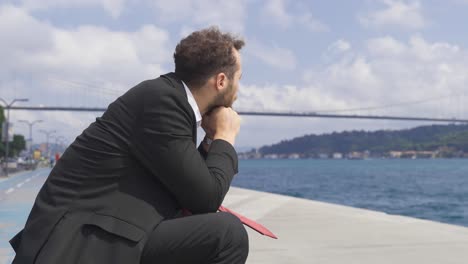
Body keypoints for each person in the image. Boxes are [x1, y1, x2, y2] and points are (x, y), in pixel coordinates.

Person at [10, 27, 248, 264]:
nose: (238, 90)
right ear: (221, 81)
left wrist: (210, 139)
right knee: (227, 234)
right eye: (239, 79)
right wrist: (224, 136)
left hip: (106, 228)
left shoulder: (169, 100)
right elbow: (207, 198)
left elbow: (190, 190)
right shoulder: (164, 102)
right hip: (76, 241)